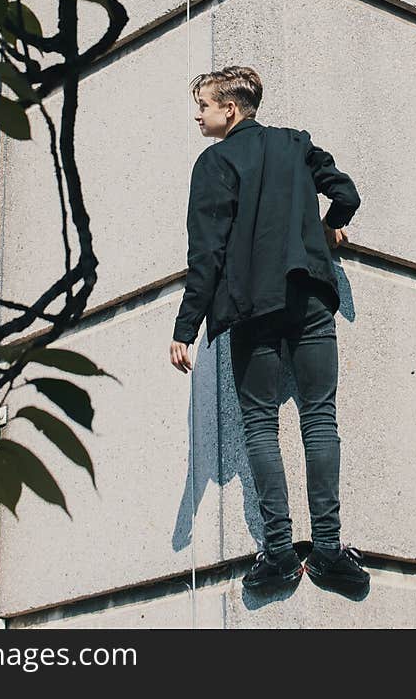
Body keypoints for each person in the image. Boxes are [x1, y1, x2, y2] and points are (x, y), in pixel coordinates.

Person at [169, 65, 369, 593]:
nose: (198, 115)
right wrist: (330, 225)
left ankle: (279, 553)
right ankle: (328, 549)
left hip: (250, 307)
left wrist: (186, 327)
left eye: (205, 105)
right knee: (319, 417)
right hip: (308, 296)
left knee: (260, 424)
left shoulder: (213, 163)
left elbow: (206, 253)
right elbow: (345, 190)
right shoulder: (295, 144)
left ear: (229, 110)